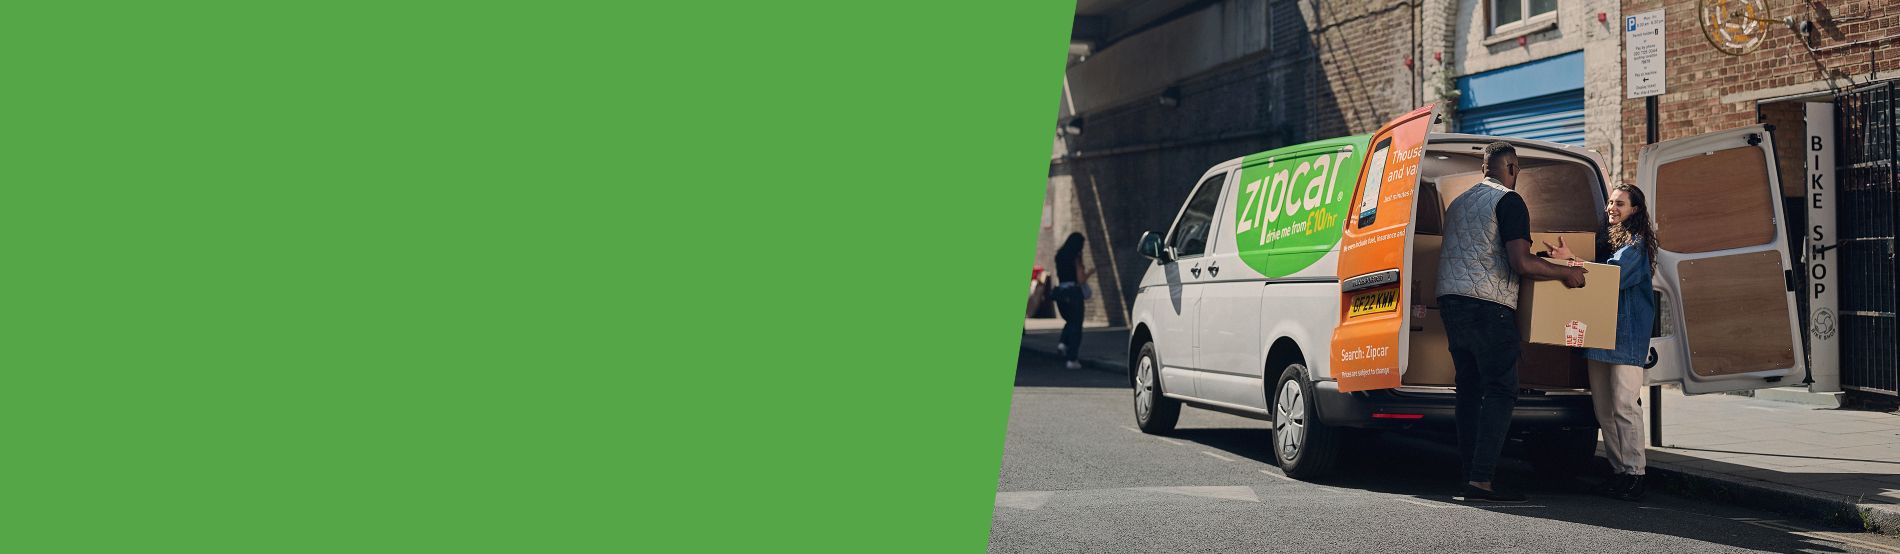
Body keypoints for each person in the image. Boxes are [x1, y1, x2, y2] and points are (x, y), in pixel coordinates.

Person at [1438, 142, 1588, 503]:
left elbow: (1481, 252)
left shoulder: (1459, 202)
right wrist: (1565, 272)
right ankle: (1482, 481)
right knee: (1502, 391)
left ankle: (1469, 477)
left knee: (1469, 391)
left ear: (1484, 168)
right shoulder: (1509, 201)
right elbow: (1520, 263)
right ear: (1513, 168)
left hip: (1451, 303)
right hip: (1489, 307)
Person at [1547, 183, 1657, 502]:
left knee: (1624, 405)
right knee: (1604, 408)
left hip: (1626, 335)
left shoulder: (1636, 246)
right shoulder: (1611, 241)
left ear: (1635, 210)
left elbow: (1612, 277)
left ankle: (1635, 473)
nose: (1612, 207)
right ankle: (1619, 471)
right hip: (1600, 334)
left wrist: (1571, 261)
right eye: (1610, 202)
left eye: (1620, 204)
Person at [1053, 233, 1094, 369]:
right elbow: (1081, 279)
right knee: (1076, 325)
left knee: (1070, 320)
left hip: (1061, 292)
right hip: (1074, 294)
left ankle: (1063, 343)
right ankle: (1072, 359)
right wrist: (1090, 272)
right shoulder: (1075, 258)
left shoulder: (1059, 256)